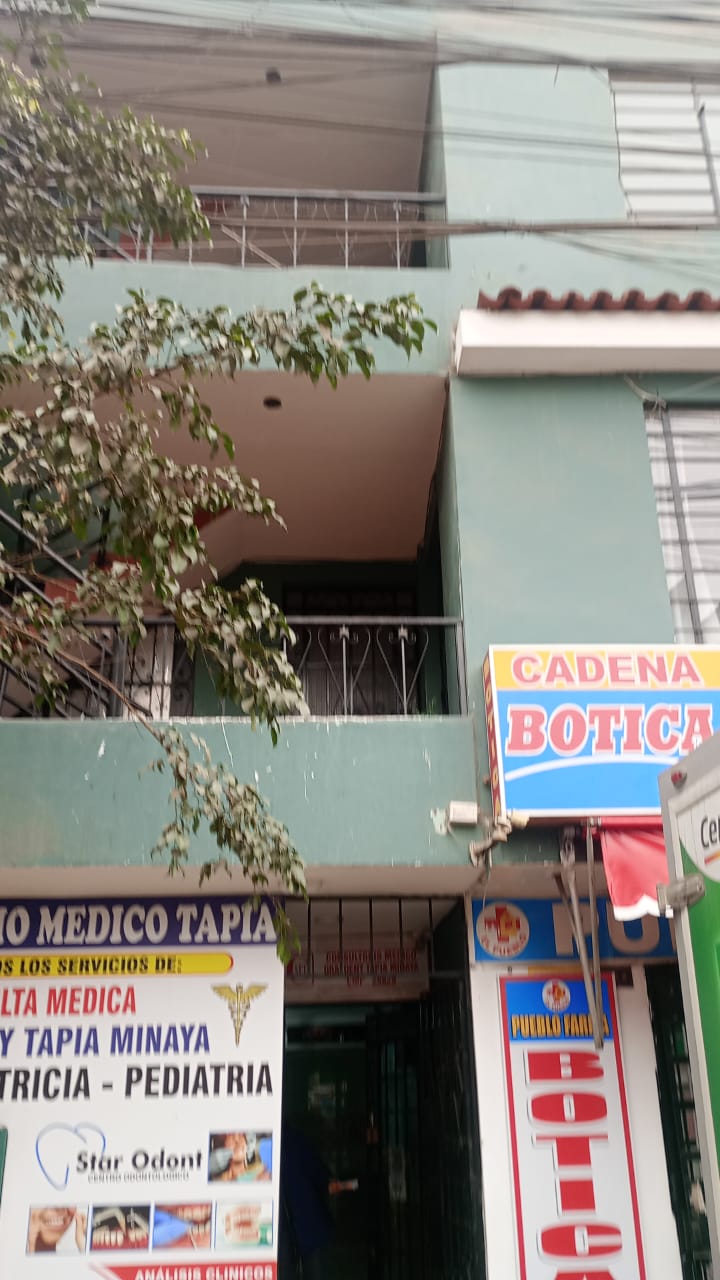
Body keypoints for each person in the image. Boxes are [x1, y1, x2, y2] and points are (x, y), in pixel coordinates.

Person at [278, 1124, 335, 1280]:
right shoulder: (297, 1141)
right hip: (308, 1225)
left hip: (282, 1233)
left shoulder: (266, 1141)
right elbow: (322, 1177)